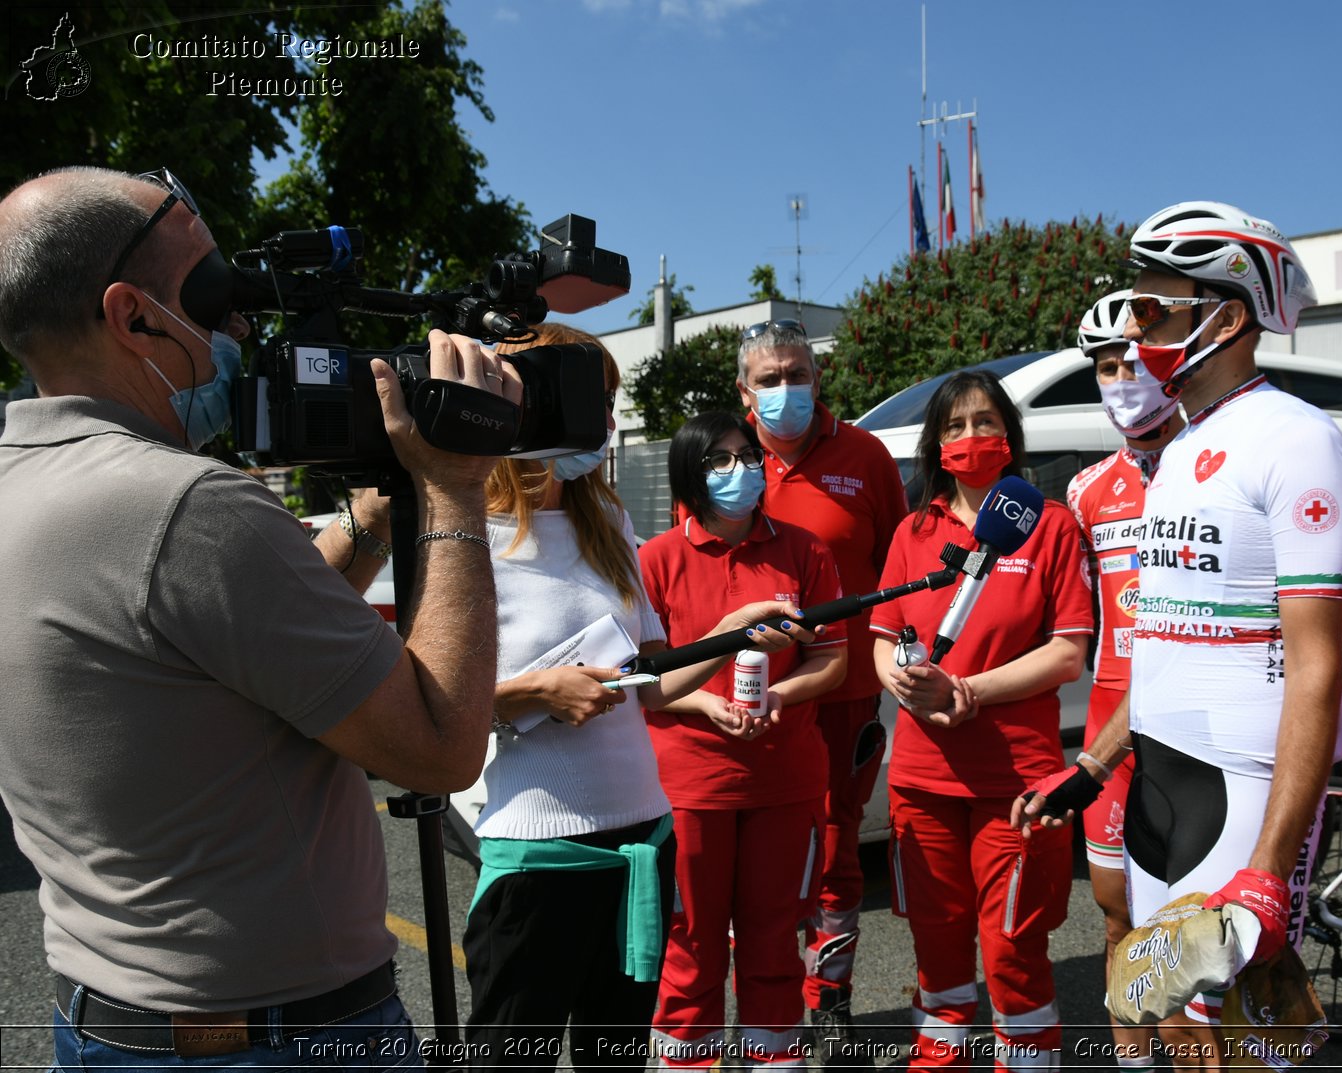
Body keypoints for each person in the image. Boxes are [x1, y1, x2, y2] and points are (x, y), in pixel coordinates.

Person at [0, 166, 509, 1067]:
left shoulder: (26, 478)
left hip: (103, 1019)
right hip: (278, 1037)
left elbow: (213, 641)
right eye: (214, 292)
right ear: (133, 316)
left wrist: (375, 514)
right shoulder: (192, 507)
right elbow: (441, 745)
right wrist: (456, 486)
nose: (241, 323)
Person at [1017, 201, 1342, 1068]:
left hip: (1242, 786)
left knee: (1241, 1036)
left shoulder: (1298, 440)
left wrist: (1273, 864)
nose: (1137, 332)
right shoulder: (1177, 454)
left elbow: (1319, 669)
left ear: (1228, 317)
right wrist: (1092, 764)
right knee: (1156, 1002)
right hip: (1156, 782)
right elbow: (1166, 642)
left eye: (1152, 309)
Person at [461, 326, 804, 1070]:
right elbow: (436, 702)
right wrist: (536, 691)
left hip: (642, 844)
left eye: (609, 400)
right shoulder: (464, 529)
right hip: (537, 858)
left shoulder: (608, 520)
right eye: (592, 398)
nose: (605, 418)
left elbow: (650, 684)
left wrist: (727, 633)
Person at [869, 369, 1092, 1070]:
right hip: (921, 778)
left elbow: (1067, 653)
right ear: (936, 443)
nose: (972, 437)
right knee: (937, 946)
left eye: (987, 422)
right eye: (956, 426)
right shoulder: (913, 531)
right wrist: (907, 685)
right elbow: (883, 637)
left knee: (1013, 946)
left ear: (1011, 436)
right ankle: (939, 1060)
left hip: (1017, 781)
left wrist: (969, 689)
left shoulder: (1050, 525)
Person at [638, 411, 848, 1070]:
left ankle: (775, 1061)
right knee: (689, 945)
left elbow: (834, 660)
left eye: (746, 455)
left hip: (783, 783)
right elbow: (647, 682)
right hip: (690, 788)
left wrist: (780, 694)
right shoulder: (657, 557)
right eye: (720, 460)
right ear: (691, 475)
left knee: (772, 943)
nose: (740, 470)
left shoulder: (805, 550)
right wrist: (708, 702)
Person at [733, 319, 909, 1043]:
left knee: (837, 852)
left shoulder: (865, 455)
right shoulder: (722, 457)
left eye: (795, 373)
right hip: (750, 695)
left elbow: (899, 568)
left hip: (843, 694)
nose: (785, 389)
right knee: (756, 860)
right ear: (743, 390)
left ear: (816, 377)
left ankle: (829, 1006)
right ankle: (762, 1016)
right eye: (768, 378)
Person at [1063, 287, 1185, 1067]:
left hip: (1194, 727)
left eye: (1135, 361)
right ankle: (1136, 1060)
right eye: (1107, 367)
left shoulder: (1211, 463)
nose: (1122, 379)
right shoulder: (1085, 491)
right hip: (1114, 721)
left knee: (1202, 921)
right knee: (1116, 917)